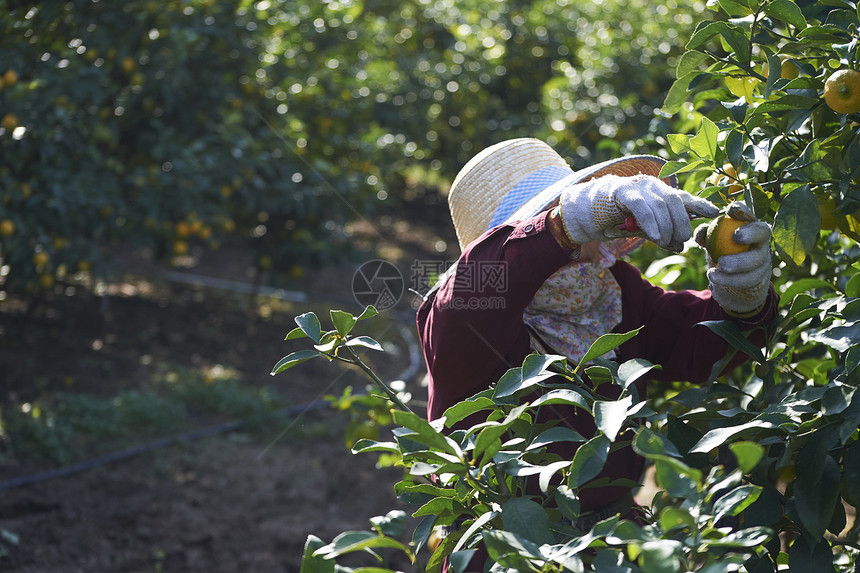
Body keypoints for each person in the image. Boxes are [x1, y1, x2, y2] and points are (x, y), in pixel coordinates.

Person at [415, 138, 777, 564]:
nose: (587, 248)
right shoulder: (467, 323)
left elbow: (688, 337)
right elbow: (468, 295)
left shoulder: (608, 290)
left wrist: (744, 299)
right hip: (504, 549)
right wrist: (560, 227)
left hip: (608, 544)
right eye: (565, 226)